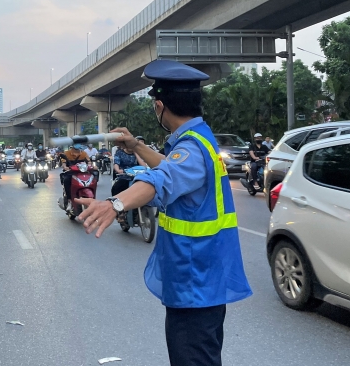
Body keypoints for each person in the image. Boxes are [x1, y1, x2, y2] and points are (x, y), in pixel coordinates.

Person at [74, 60, 252, 366]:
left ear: (159, 106)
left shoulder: (191, 149)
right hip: (203, 279)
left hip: (195, 282)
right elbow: (171, 167)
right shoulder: (198, 140)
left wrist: (115, 203)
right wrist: (136, 146)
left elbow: (162, 179)